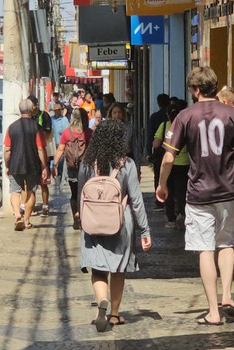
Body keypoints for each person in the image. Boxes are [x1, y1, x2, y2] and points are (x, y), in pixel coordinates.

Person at [156, 66, 234, 325]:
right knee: (226, 244)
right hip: (229, 190)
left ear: (194, 90)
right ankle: (227, 295)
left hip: (199, 192)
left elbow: (169, 156)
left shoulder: (184, 116)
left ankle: (213, 312)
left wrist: (162, 185)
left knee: (205, 249)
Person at [78, 119, 152, 332]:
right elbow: (136, 200)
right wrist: (145, 229)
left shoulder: (86, 163)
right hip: (120, 223)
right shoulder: (127, 164)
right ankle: (115, 314)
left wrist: (81, 219)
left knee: (98, 269)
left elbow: (80, 193)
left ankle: (102, 300)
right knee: (118, 269)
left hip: (92, 222)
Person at [3, 99, 49, 231]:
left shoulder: (11, 127)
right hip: (32, 165)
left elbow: (7, 150)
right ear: (31, 110)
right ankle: (27, 220)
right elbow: (41, 149)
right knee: (31, 191)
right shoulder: (36, 128)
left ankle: (17, 214)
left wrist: (7, 165)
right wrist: (45, 166)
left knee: (15, 191)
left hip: (15, 164)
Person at [52, 108, 92, 229]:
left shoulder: (67, 132)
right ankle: (83, 216)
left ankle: (76, 214)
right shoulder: (89, 132)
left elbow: (60, 149)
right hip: (86, 167)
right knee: (86, 193)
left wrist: (55, 164)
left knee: (74, 193)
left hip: (71, 168)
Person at [152, 99, 189, 229]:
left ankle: (171, 219)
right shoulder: (185, 125)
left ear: (167, 114)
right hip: (184, 164)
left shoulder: (164, 125)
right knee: (182, 192)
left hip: (169, 164)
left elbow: (156, 144)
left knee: (169, 192)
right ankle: (183, 215)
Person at [28, 95, 55, 217]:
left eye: (32, 105)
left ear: (35, 105)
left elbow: (48, 131)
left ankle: (45, 206)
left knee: (44, 182)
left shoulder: (44, 115)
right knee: (30, 184)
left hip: (43, 152)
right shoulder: (27, 117)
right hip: (31, 154)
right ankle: (30, 207)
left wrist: (37, 133)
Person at [147, 93, 170, 211]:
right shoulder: (170, 117)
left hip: (159, 152)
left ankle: (160, 200)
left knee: (158, 175)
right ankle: (169, 200)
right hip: (171, 151)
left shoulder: (154, 117)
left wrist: (148, 152)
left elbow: (150, 135)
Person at [107, 102, 141, 175]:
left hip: (127, 160)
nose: (117, 115)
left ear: (123, 114)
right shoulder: (107, 127)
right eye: (115, 112)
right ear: (111, 114)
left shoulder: (129, 127)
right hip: (112, 162)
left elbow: (135, 147)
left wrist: (138, 166)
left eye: (119, 112)